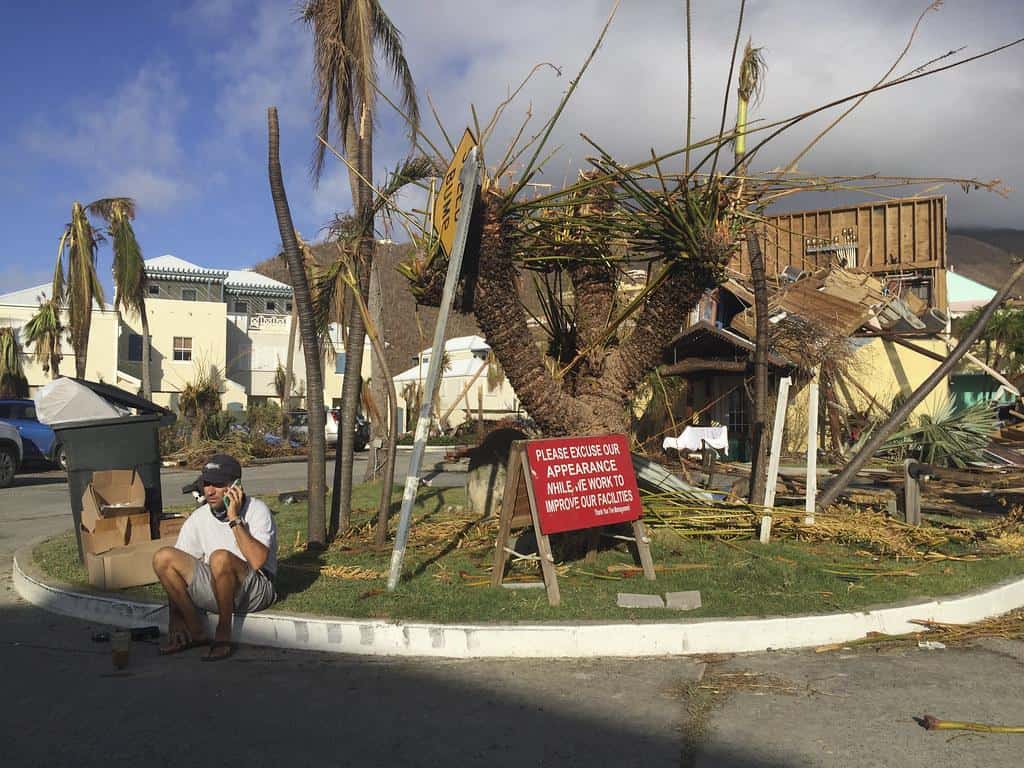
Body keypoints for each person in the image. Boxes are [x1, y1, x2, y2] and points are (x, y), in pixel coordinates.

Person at [152, 453, 277, 661]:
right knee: (163, 557)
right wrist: (175, 618)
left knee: (219, 557)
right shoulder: (198, 518)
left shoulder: (258, 510)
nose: (209, 491)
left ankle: (223, 634)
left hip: (256, 590)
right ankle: (195, 630)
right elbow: (176, 575)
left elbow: (257, 561)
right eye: (206, 484)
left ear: (236, 485)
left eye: (217, 485)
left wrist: (234, 518)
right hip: (218, 587)